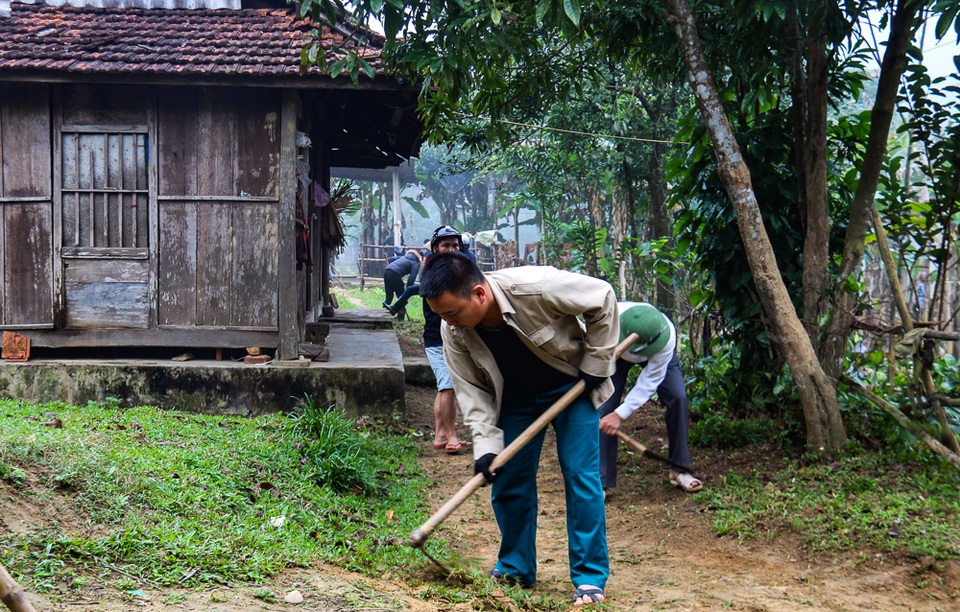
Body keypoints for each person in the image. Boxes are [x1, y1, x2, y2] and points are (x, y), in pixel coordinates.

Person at [419, 252, 618, 607]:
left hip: (574, 389)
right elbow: (472, 391)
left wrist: (596, 364)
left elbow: (602, 296)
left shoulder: (536, 287)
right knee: (508, 478)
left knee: (581, 477)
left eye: (452, 312)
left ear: (479, 294)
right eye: (441, 316)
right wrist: (485, 447)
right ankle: (515, 567)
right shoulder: (454, 331)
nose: (448, 323)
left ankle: (589, 577)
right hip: (514, 399)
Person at [598, 302, 702, 493]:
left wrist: (620, 415)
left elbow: (649, 382)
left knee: (678, 398)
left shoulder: (665, 335)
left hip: (657, 353)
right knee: (604, 408)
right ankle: (601, 481)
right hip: (616, 355)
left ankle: (679, 470)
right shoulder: (607, 322)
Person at [382, 249, 421, 320]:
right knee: (401, 298)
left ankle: (381, 315)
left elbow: (390, 259)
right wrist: (408, 291)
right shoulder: (415, 263)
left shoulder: (403, 257)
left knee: (389, 296)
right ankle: (400, 318)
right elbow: (412, 278)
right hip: (395, 273)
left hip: (387, 270)